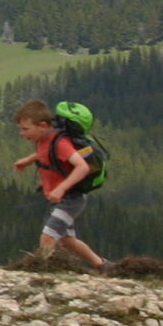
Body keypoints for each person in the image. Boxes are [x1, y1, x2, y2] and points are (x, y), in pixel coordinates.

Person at [12, 100, 106, 271]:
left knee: (48, 237)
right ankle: (103, 266)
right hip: (60, 199)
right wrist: (27, 160)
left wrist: (61, 188)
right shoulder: (44, 141)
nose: (21, 133)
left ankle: (40, 269)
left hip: (70, 199)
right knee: (67, 240)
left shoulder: (60, 144)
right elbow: (44, 153)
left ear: (42, 125)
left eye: (25, 129)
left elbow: (82, 167)